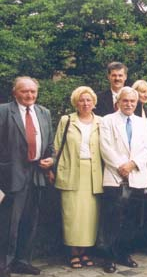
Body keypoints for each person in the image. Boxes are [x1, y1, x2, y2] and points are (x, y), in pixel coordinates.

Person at [0, 77, 54, 277]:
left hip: (36, 175)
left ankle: (22, 261)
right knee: (8, 224)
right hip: (10, 176)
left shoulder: (44, 113)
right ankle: (3, 264)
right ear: (15, 93)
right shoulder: (4, 111)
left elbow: (49, 145)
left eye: (33, 91)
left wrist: (52, 159)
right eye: (25, 91)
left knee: (30, 221)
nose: (30, 95)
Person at [99, 87, 147, 273]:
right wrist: (121, 166)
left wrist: (133, 164)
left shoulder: (143, 123)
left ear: (136, 103)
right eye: (125, 101)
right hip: (115, 176)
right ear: (118, 102)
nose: (129, 104)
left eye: (132, 101)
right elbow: (105, 147)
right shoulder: (107, 120)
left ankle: (124, 253)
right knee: (111, 219)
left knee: (131, 219)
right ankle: (108, 257)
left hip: (136, 176)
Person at [53, 86, 103, 269]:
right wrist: (52, 167)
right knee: (72, 215)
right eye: (81, 100)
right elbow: (57, 147)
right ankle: (73, 253)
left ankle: (86, 252)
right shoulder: (67, 120)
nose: (85, 103)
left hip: (94, 173)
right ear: (76, 102)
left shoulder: (101, 122)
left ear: (94, 102)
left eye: (88, 100)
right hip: (71, 171)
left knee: (90, 216)